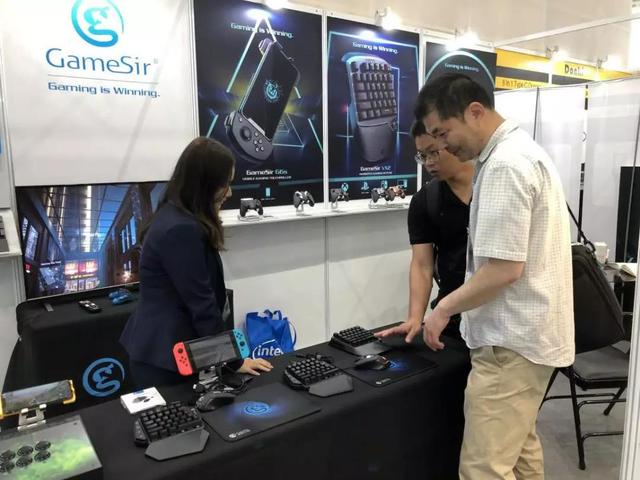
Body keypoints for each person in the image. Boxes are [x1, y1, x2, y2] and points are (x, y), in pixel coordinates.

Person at [414, 73, 574, 480]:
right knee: (520, 453)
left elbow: (504, 269)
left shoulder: (505, 164)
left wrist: (443, 308)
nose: (442, 146)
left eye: (442, 133)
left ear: (475, 112)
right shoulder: (522, 153)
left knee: (483, 469)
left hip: (510, 344)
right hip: (528, 340)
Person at [120, 137, 272, 389]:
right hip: (165, 359)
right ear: (205, 184)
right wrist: (234, 361)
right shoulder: (181, 229)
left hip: (166, 352)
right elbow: (202, 305)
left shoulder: (173, 215)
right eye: (225, 184)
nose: (229, 193)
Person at [376, 120, 473, 344]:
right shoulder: (426, 201)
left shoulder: (494, 187)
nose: (428, 163)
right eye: (422, 156)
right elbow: (422, 265)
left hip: (498, 316)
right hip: (450, 316)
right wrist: (414, 318)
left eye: (433, 153)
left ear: (454, 142)